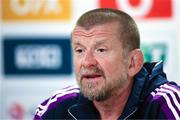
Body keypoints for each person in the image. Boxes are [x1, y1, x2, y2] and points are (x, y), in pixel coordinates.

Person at [34, 8, 180, 120]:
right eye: (80, 50)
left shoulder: (166, 104)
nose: (87, 62)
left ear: (133, 63)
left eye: (101, 50)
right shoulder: (57, 108)